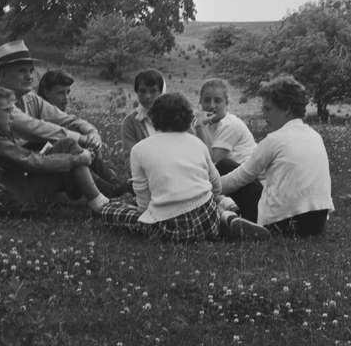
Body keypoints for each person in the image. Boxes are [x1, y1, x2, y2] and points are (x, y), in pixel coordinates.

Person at [100, 92, 268, 241]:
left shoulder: (139, 149)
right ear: (189, 118)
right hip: (207, 220)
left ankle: (224, 217)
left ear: (153, 118)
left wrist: (145, 213)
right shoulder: (197, 143)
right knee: (205, 199)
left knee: (110, 209)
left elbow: (143, 197)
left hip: (167, 228)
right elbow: (216, 184)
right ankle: (225, 217)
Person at [0, 40, 129, 197]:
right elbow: (35, 127)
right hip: (13, 175)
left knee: (78, 146)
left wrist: (91, 132)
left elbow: (67, 119)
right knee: (68, 145)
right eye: (22, 71)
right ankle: (109, 194)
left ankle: (118, 189)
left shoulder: (30, 98)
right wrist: (83, 138)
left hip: (34, 162)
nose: (29, 76)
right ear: (2, 74)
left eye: (31, 71)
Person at [0, 86, 109, 215]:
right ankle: (101, 202)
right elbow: (32, 163)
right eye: (7, 111)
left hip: (4, 194)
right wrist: (77, 159)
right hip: (7, 201)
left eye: (12, 110)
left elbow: (20, 163)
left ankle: (101, 193)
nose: (12, 116)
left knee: (67, 146)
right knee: (70, 151)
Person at [220, 75, 334, 237]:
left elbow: (239, 178)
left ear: (286, 109)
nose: (263, 115)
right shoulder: (315, 136)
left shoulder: (275, 139)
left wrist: (205, 190)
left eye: (268, 109)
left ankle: (230, 218)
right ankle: (231, 215)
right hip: (316, 223)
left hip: (282, 223)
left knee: (225, 166)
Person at [194, 78, 263, 222]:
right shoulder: (206, 124)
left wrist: (199, 127)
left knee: (223, 165)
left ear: (227, 103)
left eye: (217, 101)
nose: (212, 105)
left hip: (252, 187)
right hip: (230, 184)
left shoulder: (230, 125)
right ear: (200, 102)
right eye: (207, 100)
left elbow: (212, 162)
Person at [120, 69, 164, 156]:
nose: (147, 96)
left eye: (153, 91)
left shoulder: (174, 116)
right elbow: (130, 157)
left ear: (160, 92)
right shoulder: (130, 123)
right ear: (137, 92)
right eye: (143, 91)